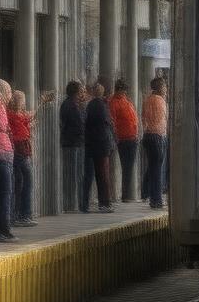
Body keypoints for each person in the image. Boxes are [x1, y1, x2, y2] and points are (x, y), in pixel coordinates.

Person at [84, 83, 115, 213]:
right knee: (103, 174)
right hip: (102, 144)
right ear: (101, 93)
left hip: (93, 144)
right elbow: (106, 123)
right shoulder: (101, 106)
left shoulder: (90, 105)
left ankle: (100, 202)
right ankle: (105, 203)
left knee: (98, 174)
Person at [7, 90, 37, 227]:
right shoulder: (14, 115)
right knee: (27, 182)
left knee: (19, 182)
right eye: (23, 101)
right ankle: (24, 215)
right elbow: (26, 119)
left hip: (18, 149)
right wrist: (41, 102)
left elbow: (25, 122)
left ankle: (17, 215)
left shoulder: (12, 114)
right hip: (20, 149)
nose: (24, 103)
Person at [109, 79, 140, 202]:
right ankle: (125, 195)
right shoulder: (113, 102)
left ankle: (126, 194)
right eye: (122, 91)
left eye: (124, 91)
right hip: (123, 138)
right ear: (118, 90)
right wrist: (116, 136)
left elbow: (133, 117)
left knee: (129, 167)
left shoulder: (127, 101)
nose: (124, 93)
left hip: (132, 137)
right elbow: (113, 121)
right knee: (126, 166)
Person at [141, 77, 168, 210]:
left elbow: (144, 117)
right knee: (157, 170)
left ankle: (147, 194)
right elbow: (163, 119)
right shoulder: (160, 101)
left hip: (147, 136)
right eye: (164, 86)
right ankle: (156, 200)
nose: (166, 89)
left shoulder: (147, 99)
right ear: (160, 88)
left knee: (152, 168)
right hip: (158, 136)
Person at [60, 81, 86, 212]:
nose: (83, 93)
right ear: (75, 92)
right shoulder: (70, 105)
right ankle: (71, 205)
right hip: (72, 144)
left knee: (76, 174)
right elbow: (79, 125)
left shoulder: (73, 105)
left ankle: (75, 204)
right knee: (73, 175)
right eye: (81, 91)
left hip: (75, 143)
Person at [0, 79, 14, 240]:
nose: (10, 95)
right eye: (8, 92)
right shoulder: (0, 107)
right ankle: (4, 230)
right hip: (2, 154)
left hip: (4, 154)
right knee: (5, 193)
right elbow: (3, 128)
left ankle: (3, 229)